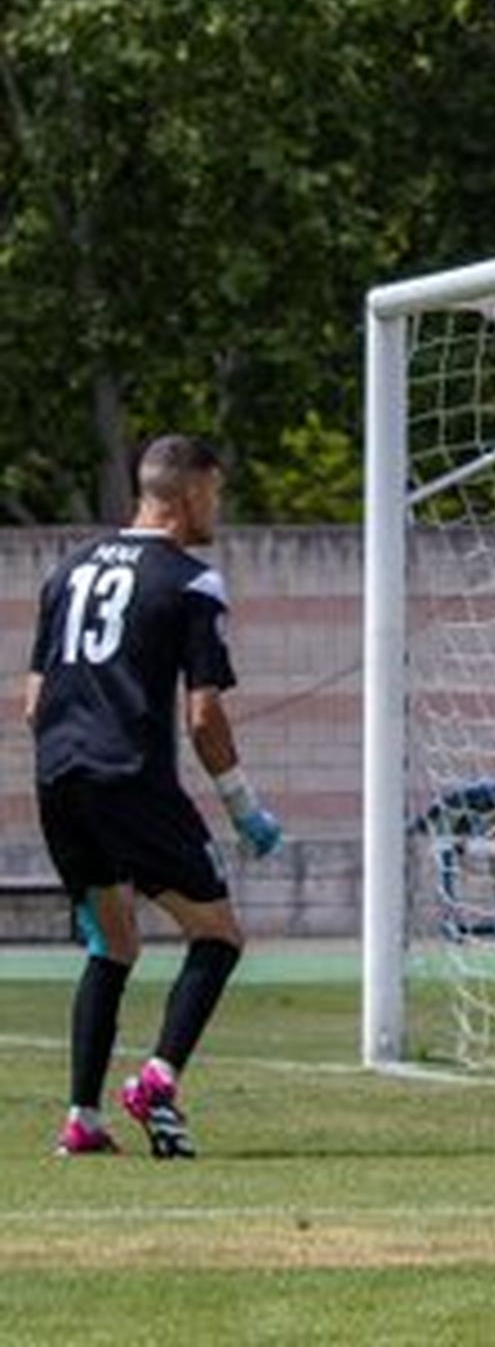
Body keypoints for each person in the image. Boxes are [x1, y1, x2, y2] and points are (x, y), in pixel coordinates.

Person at [26, 435, 282, 1159]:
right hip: (130, 778)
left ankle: (82, 1117)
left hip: (58, 776)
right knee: (219, 936)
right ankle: (157, 1082)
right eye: (217, 492)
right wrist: (244, 810)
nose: (218, 508)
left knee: (114, 941)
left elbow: (32, 703)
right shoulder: (191, 582)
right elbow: (204, 717)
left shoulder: (67, 571)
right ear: (191, 489)